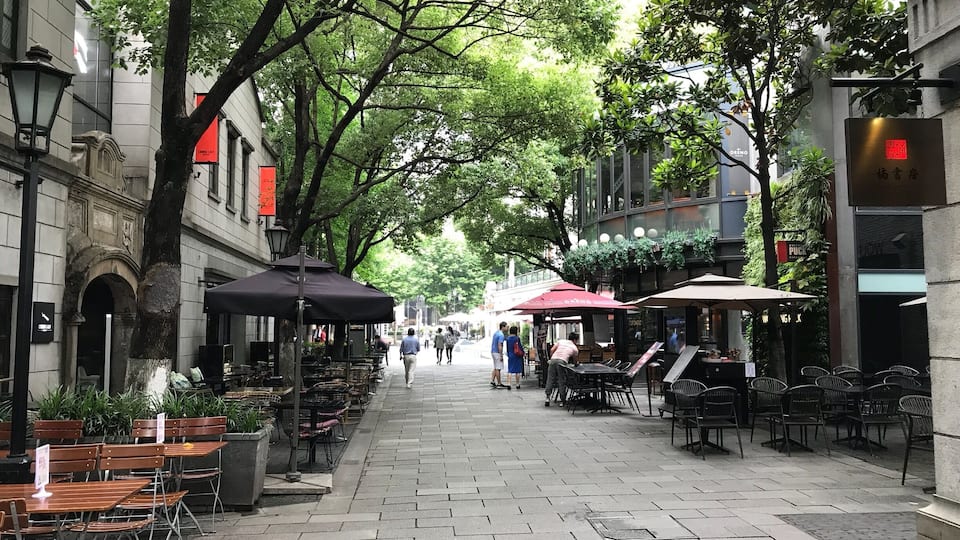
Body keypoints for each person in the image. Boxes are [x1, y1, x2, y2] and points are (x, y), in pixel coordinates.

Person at [545, 331, 579, 407]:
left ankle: (547, 398)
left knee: (550, 379)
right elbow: (575, 360)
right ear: (575, 340)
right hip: (562, 361)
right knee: (561, 380)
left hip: (553, 360)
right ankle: (562, 400)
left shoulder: (561, 341)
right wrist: (575, 364)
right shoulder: (574, 348)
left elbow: (552, 350)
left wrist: (551, 358)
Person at [490, 321, 508, 388]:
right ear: (503, 327)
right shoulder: (501, 335)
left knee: (495, 367)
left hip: (493, 351)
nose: (507, 327)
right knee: (498, 368)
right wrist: (501, 355)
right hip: (497, 352)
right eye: (506, 326)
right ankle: (499, 383)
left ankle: (492, 380)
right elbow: (500, 345)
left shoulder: (496, 333)